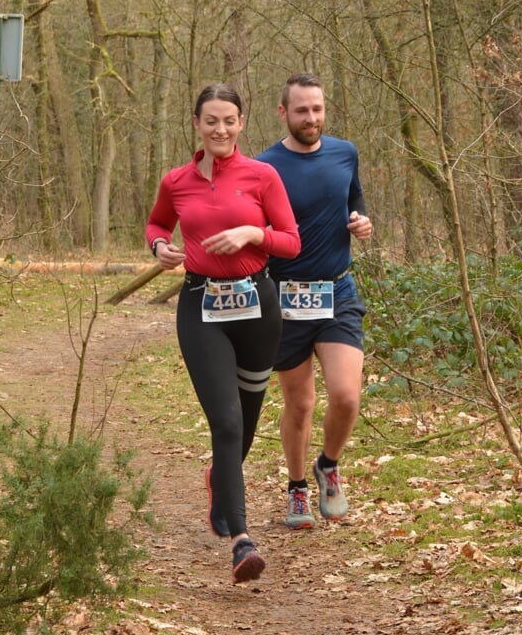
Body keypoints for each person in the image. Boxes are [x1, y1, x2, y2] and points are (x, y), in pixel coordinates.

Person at [146, 83, 301, 583]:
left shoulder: (263, 176)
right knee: (227, 423)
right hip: (201, 307)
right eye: (211, 120)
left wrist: (253, 233)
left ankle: (221, 478)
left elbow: (291, 243)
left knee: (246, 423)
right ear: (197, 124)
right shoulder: (176, 181)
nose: (221, 129)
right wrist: (159, 249)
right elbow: (156, 225)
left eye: (229, 120)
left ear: (242, 123)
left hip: (258, 306)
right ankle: (241, 540)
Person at [253, 74, 373, 530]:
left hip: (337, 290)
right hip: (286, 298)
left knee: (345, 395)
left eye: (318, 109)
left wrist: (360, 221)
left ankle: (329, 464)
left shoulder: (345, 152)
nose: (312, 118)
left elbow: (354, 198)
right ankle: (298, 489)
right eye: (302, 110)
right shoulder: (265, 167)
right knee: (300, 404)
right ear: (283, 112)